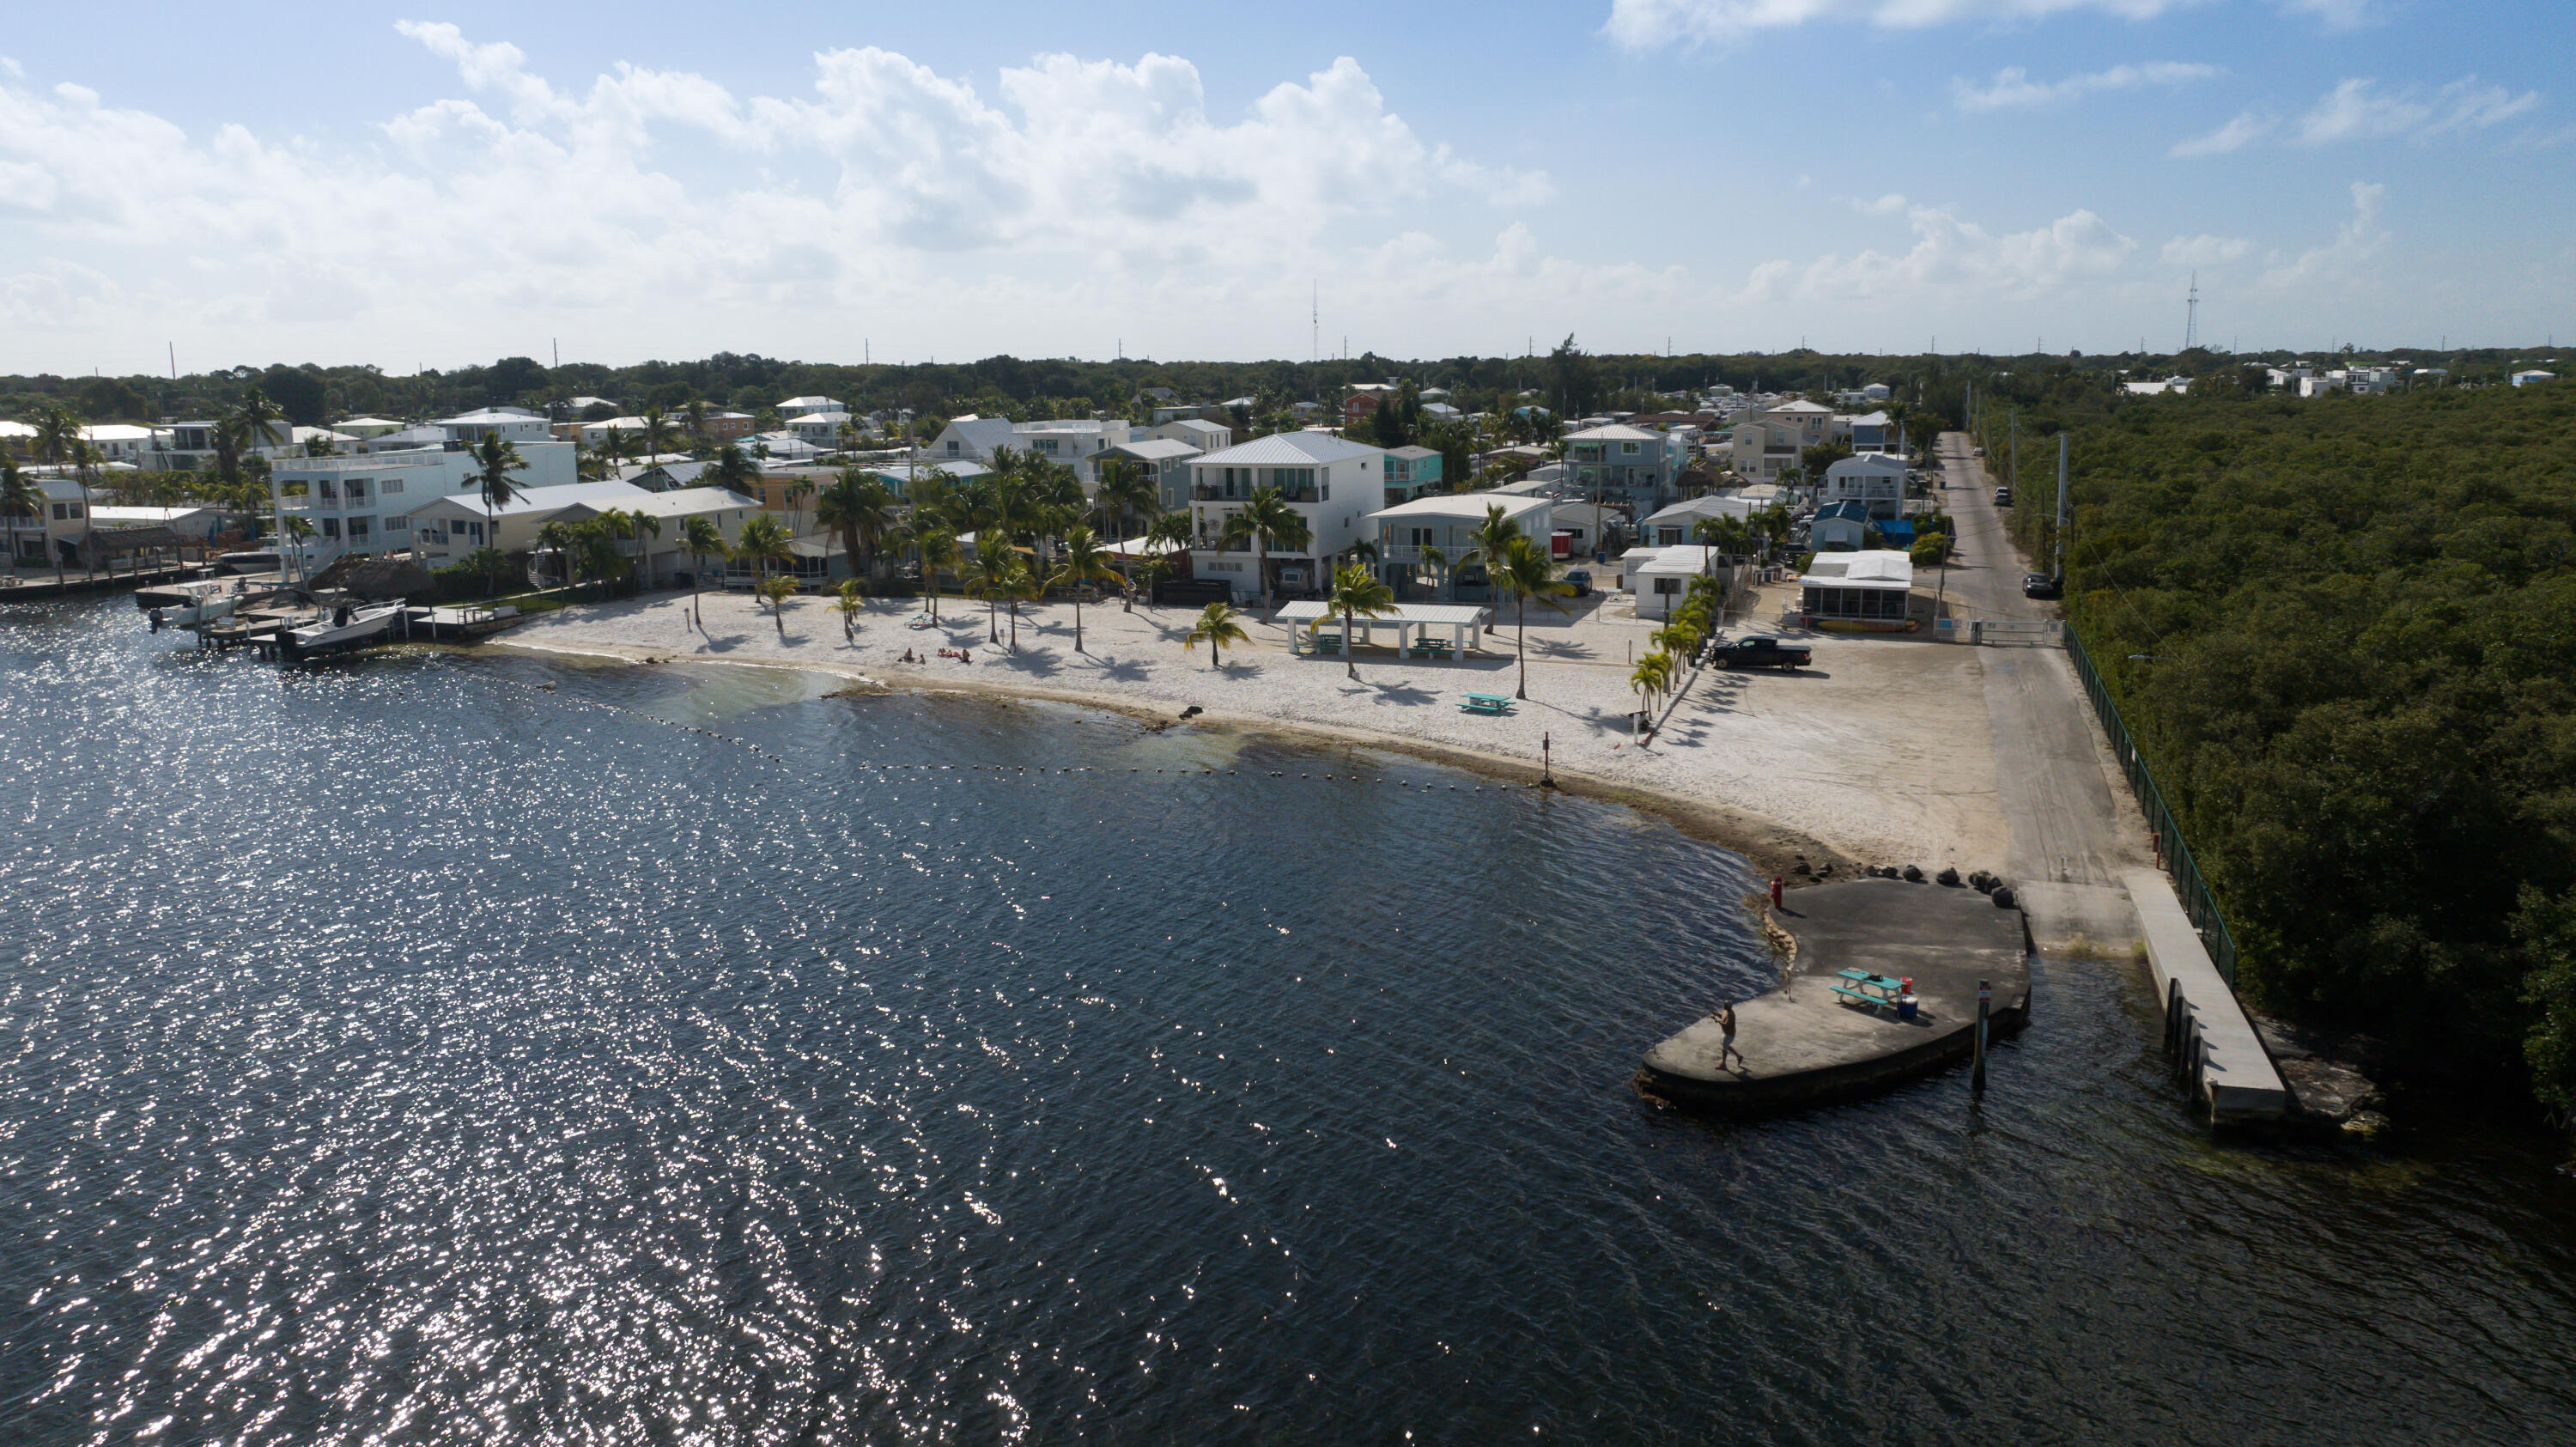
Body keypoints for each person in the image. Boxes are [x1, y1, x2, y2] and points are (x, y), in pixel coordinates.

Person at [1718, 1002, 1744, 1071]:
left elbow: (1724, 1024)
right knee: (1725, 1045)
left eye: (1725, 1005)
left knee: (1724, 1049)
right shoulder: (1726, 1011)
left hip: (1729, 1034)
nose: (1724, 1006)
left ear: (1729, 1007)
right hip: (1726, 1032)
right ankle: (1738, 1057)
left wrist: (1716, 1019)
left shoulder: (1731, 1015)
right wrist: (1717, 1015)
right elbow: (1723, 1018)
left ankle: (1723, 1064)